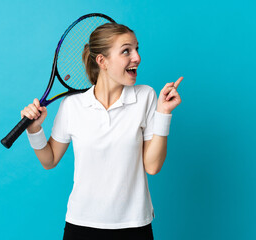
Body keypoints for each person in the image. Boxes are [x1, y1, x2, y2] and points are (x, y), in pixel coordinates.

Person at [21, 23, 183, 240]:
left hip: (134, 226)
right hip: (81, 225)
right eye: (126, 50)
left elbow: (152, 167)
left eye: (136, 49)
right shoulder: (73, 105)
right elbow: (49, 160)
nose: (137, 57)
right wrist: (34, 129)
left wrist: (163, 113)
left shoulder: (145, 96)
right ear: (102, 61)